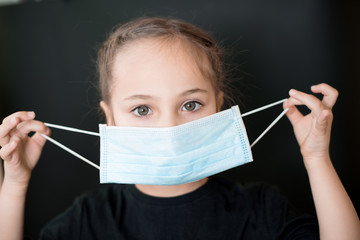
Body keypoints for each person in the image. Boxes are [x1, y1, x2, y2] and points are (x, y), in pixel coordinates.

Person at [0, 17, 359, 240]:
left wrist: (317, 159)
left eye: (190, 105)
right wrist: (14, 187)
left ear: (219, 107)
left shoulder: (261, 210)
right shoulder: (88, 221)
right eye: (142, 109)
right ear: (110, 118)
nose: (169, 128)